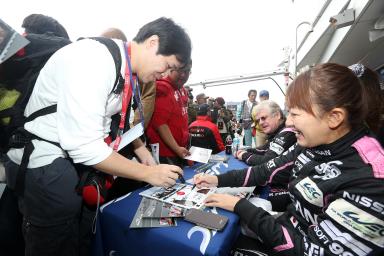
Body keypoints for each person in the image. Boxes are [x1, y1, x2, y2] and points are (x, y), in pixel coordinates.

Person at [4, 17, 191, 256]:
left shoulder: (123, 69)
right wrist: (148, 173)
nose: (165, 74)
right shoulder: (95, 58)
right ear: (153, 43)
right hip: (46, 167)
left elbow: (112, 122)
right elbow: (84, 146)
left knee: (83, 242)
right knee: (56, 245)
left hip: (74, 169)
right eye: (168, 65)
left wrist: (140, 148)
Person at [194, 63, 384, 255]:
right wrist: (217, 180)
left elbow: (308, 251)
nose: (289, 122)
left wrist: (240, 206)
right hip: (284, 227)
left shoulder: (371, 180)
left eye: (294, 113)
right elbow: (265, 170)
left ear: (334, 118)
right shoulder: (310, 141)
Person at [146, 60, 192, 168]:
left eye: (187, 71)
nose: (183, 75)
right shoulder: (163, 87)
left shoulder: (182, 90)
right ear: (171, 69)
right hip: (165, 153)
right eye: (180, 71)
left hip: (180, 150)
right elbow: (160, 124)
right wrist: (176, 148)